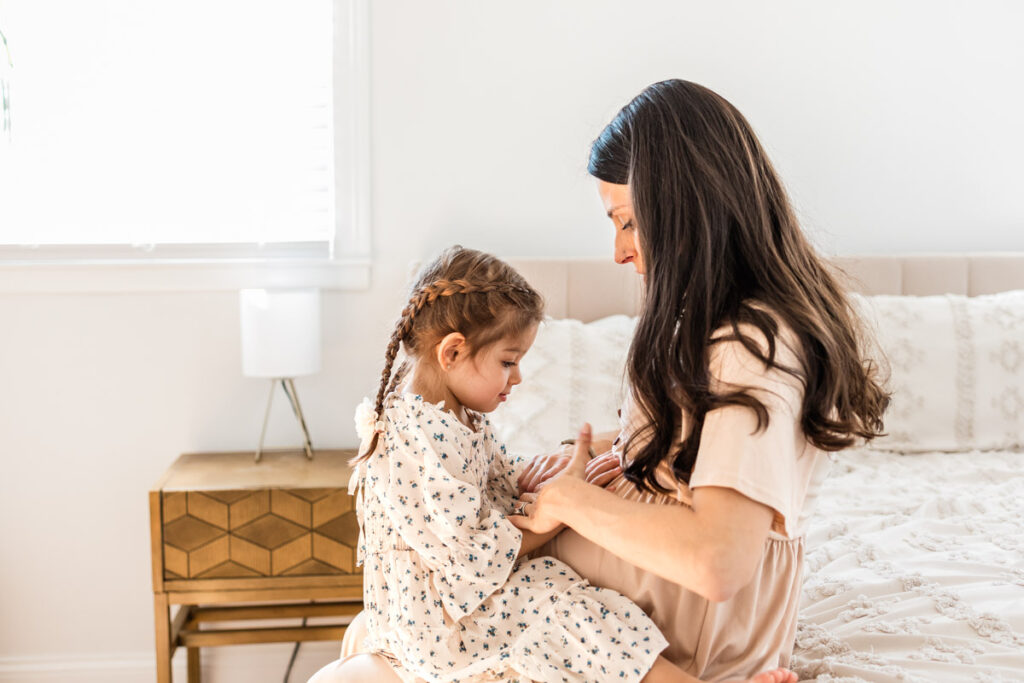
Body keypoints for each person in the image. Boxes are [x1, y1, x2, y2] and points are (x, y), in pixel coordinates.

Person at [512, 79, 890, 681]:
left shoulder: (754, 346)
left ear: (687, 208)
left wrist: (572, 501)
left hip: (678, 642)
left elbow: (717, 560)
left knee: (394, 634)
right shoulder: (718, 324)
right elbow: (695, 454)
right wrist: (601, 456)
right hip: (646, 611)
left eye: (629, 222)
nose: (619, 252)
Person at [324, 245, 798, 683]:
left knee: (585, 611)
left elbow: (492, 486)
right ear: (452, 352)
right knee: (574, 613)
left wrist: (555, 475)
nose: (518, 377)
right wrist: (559, 513)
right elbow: (473, 555)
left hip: (461, 601)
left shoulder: (453, 417)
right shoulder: (417, 438)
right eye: (508, 362)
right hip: (444, 625)